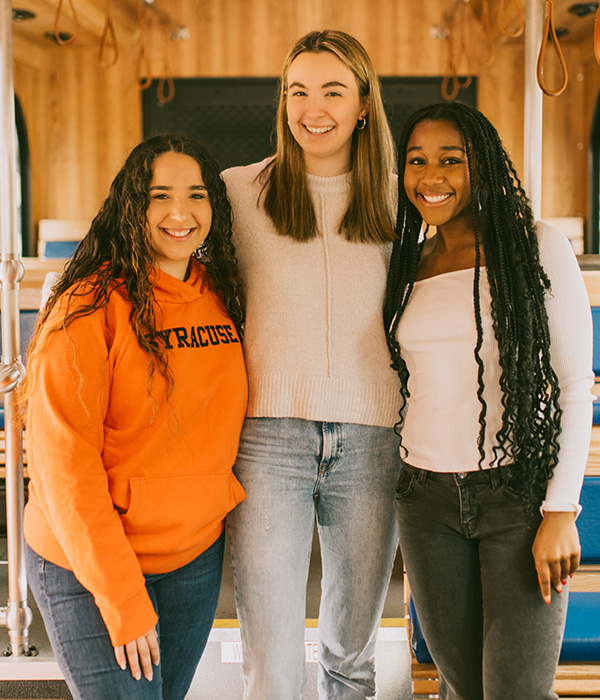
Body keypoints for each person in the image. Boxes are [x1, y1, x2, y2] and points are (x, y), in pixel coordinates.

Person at [21, 134, 247, 700]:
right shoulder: (86, 309)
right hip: (87, 565)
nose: (180, 212)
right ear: (130, 205)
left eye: (197, 195)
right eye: (158, 195)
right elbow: (63, 469)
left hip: (192, 560)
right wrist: (121, 597)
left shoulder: (223, 295)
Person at [384, 101, 594, 700]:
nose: (432, 176)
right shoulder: (409, 263)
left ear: (483, 165)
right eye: (417, 160)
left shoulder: (534, 246)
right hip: (425, 504)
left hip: (518, 499)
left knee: (516, 693)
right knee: (464, 687)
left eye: (451, 159)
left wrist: (560, 511)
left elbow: (576, 383)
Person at [222, 29, 402, 700]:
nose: (313, 108)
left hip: (374, 442)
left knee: (351, 659)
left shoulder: (399, 200)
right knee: (270, 662)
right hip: (268, 441)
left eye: (332, 90)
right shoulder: (239, 193)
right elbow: (136, 246)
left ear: (362, 104)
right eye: (298, 91)